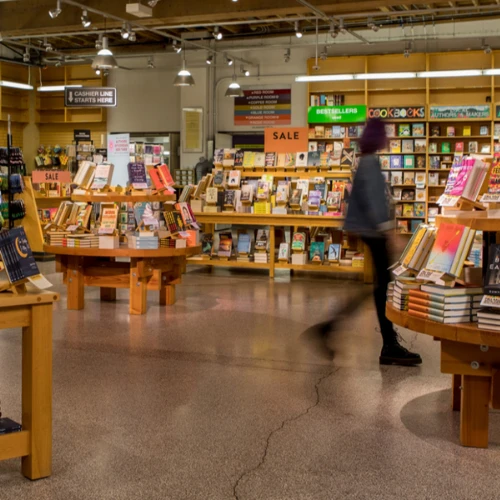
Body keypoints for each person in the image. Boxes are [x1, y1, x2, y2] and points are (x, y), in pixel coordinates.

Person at [303, 118, 422, 366]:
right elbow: (374, 201)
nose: (388, 138)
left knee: (380, 286)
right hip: (373, 231)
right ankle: (387, 345)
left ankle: (332, 329)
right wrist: (390, 232)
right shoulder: (369, 163)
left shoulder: (367, 161)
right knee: (383, 286)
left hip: (369, 230)